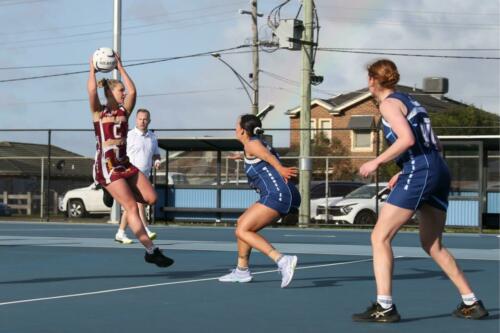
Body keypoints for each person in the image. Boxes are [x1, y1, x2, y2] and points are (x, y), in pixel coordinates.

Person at [352, 59, 488, 322]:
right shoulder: (412, 102)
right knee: (432, 244)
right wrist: (407, 171)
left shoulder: (389, 105)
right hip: (436, 169)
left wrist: (377, 161)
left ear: (371, 80)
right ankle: (471, 302)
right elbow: (433, 142)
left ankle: (385, 306)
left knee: (379, 237)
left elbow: (408, 139)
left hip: (422, 169)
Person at [87, 52, 173, 267]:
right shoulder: (99, 113)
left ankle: (114, 192)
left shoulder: (125, 112)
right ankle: (151, 251)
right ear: (109, 92)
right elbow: (91, 91)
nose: (124, 93)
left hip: (124, 163)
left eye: (123, 90)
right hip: (107, 167)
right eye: (120, 90)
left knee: (151, 199)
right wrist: (92, 68)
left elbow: (134, 90)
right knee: (132, 208)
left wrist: (121, 67)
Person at [218, 114, 301, 288]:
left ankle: (282, 260)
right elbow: (260, 156)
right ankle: (242, 271)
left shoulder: (252, 144)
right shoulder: (253, 145)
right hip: (278, 193)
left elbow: (267, 157)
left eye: (236, 124)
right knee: (242, 224)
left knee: (243, 230)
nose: (235, 127)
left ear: (242, 130)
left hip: (278, 194)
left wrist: (280, 168)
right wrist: (242, 157)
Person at [114, 109, 160, 244]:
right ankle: (144, 230)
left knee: (134, 206)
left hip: (144, 178)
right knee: (133, 205)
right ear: (136, 120)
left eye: (145, 119)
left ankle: (121, 232)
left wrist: (157, 161)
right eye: (140, 119)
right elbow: (119, 154)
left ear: (149, 121)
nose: (142, 121)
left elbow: (156, 154)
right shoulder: (129, 136)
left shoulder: (153, 137)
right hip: (130, 176)